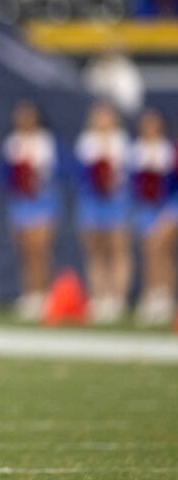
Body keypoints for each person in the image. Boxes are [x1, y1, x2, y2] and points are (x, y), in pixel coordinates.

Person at [0, 99, 60, 322]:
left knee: (40, 249)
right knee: (25, 250)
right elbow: (5, 175)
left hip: (42, 200)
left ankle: (45, 293)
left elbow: (52, 173)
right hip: (20, 202)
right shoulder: (12, 143)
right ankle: (30, 293)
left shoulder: (46, 142)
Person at [74, 100, 133, 324]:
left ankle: (117, 297)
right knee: (95, 249)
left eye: (106, 116)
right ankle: (99, 296)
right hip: (92, 201)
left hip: (116, 200)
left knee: (117, 246)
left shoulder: (123, 143)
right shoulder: (86, 143)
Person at [128, 108, 177, 326]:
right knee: (149, 251)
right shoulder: (136, 150)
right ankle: (152, 293)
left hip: (169, 206)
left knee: (161, 248)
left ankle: (165, 295)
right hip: (145, 208)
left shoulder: (169, 151)